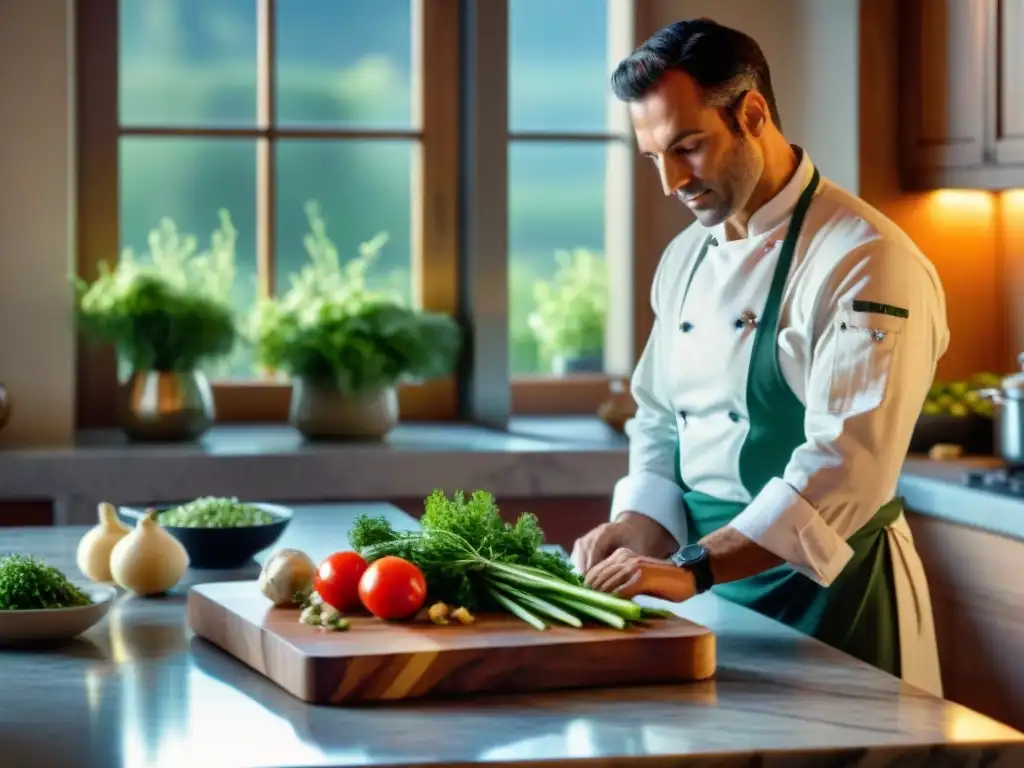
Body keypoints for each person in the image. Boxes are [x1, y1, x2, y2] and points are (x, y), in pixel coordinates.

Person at [572, 18, 947, 697]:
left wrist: (695, 566)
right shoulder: (687, 255)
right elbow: (658, 414)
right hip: (706, 593)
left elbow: (846, 469)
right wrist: (639, 525)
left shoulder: (866, 260)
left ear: (752, 113)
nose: (670, 181)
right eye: (654, 156)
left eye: (688, 147)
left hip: (831, 596)